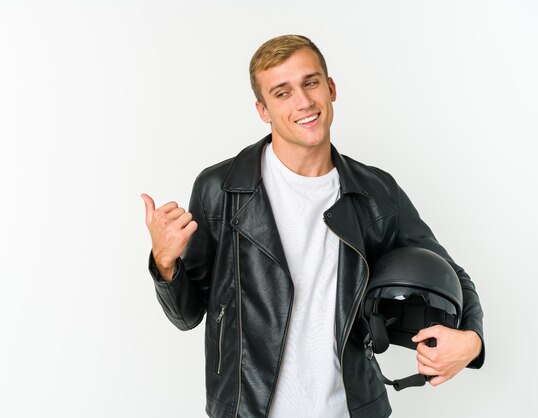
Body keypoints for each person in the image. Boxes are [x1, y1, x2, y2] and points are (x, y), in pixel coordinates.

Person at [141, 35, 484, 418]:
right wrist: (166, 264)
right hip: (247, 409)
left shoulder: (376, 192)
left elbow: (451, 272)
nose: (303, 102)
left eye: (310, 82)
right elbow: (187, 315)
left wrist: (472, 340)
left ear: (331, 88)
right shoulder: (220, 189)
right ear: (263, 110)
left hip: (352, 409)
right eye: (282, 93)